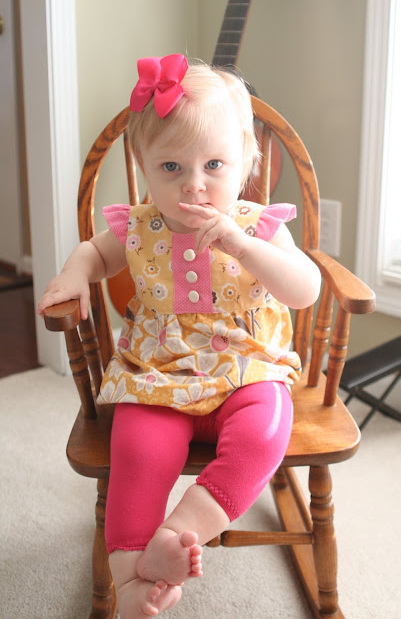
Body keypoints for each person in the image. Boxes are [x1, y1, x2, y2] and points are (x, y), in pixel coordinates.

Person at [38, 54, 321, 618]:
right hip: (159, 374)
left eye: (214, 165)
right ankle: (131, 577)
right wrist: (73, 274)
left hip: (247, 371)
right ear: (143, 166)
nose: (195, 184)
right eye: (171, 167)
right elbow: (93, 253)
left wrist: (244, 248)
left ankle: (181, 529)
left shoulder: (260, 226)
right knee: (137, 450)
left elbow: (305, 289)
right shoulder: (139, 226)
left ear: (245, 163)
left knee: (265, 434)